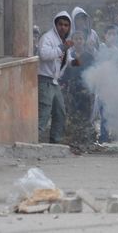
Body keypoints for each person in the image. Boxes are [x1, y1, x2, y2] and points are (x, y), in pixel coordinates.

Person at [38, 11, 77, 143]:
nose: (63, 27)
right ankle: (34, 140)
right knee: (43, 112)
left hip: (54, 82)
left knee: (60, 113)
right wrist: (62, 48)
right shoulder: (47, 38)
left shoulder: (64, 41)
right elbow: (44, 55)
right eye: (60, 24)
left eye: (66, 25)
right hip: (44, 80)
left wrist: (74, 62)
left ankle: (55, 142)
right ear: (55, 25)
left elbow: (65, 58)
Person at [60, 31, 96, 151]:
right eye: (76, 39)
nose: (79, 41)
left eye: (81, 38)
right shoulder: (70, 56)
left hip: (86, 91)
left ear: (84, 41)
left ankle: (86, 142)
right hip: (72, 91)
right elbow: (65, 72)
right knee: (72, 115)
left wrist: (91, 89)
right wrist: (63, 83)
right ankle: (73, 142)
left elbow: (95, 73)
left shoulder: (89, 57)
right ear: (72, 41)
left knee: (86, 117)